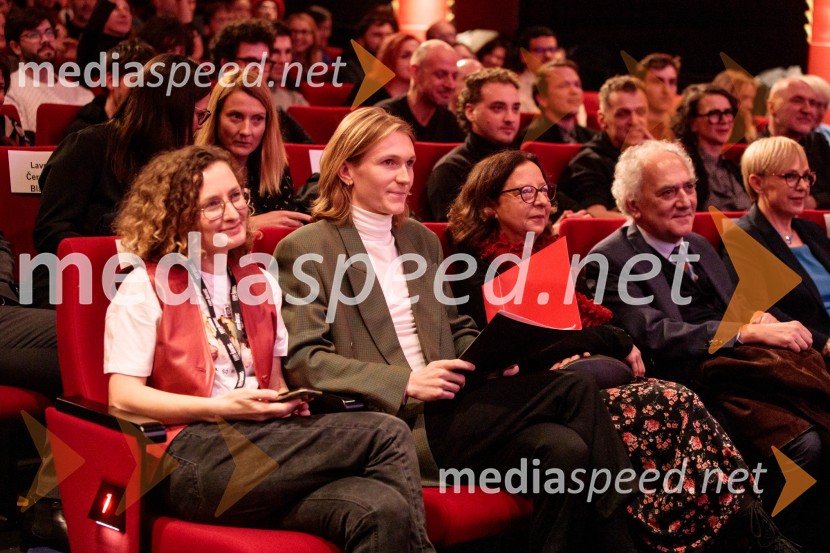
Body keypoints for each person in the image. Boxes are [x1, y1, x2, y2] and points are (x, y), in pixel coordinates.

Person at [276, 106, 639, 553]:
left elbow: (458, 325)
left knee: (564, 451)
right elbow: (304, 360)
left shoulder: (420, 240)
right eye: (388, 163)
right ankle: (629, 527)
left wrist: (488, 358)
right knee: (574, 390)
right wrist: (407, 382)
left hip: (457, 404)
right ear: (347, 170)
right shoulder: (308, 248)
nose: (406, 177)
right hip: (394, 421)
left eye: (409, 163)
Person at [446, 149, 799, 553]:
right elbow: (526, 341)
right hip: (532, 396)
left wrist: (591, 343)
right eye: (526, 192)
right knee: (672, 398)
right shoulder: (472, 265)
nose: (542, 200)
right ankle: (741, 531)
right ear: (489, 205)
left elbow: (588, 326)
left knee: (675, 412)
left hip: (586, 383)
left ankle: (741, 527)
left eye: (545, 190)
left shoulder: (548, 254)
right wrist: (604, 342)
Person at [105, 144, 434, 552]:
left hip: (269, 450)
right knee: (387, 432)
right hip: (190, 458)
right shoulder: (145, 288)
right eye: (211, 204)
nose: (232, 211)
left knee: (380, 508)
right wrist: (223, 408)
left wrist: (284, 402)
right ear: (177, 217)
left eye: (236, 196)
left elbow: (275, 382)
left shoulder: (260, 282)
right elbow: (122, 399)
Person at [586, 139, 830, 550]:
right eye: (667, 192)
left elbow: (735, 306)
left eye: (688, 187)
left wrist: (755, 319)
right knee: (804, 445)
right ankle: (761, 541)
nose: (684, 201)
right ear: (633, 205)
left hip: (741, 369)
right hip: (688, 384)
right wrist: (743, 331)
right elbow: (651, 334)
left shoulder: (698, 245)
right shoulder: (608, 259)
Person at [34, 54, 211, 257]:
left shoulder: (182, 161)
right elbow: (50, 232)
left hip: (156, 275)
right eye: (199, 115)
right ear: (172, 112)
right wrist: (115, 253)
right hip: (86, 274)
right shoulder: (88, 146)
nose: (200, 125)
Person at [724, 136, 830, 358]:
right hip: (810, 351)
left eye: (806, 177)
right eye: (790, 176)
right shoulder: (742, 237)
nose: (802, 186)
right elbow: (759, 311)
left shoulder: (812, 230)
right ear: (757, 183)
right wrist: (823, 342)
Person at [195, 67, 312, 228]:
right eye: (236, 116)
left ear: (267, 123)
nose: (246, 131)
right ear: (215, 118)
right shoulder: (194, 169)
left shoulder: (274, 167)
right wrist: (249, 224)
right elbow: (189, 232)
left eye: (257, 119)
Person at [425, 67, 520, 222]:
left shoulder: (524, 163)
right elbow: (459, 236)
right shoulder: (451, 170)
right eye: (498, 108)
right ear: (470, 112)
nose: (510, 118)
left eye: (515, 108)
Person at [558, 75, 652, 218]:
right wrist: (653, 220)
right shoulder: (588, 162)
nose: (634, 121)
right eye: (623, 114)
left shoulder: (651, 156)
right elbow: (596, 216)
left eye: (640, 112)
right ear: (602, 120)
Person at [5, 8, 94, 136]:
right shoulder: (10, 90)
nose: (45, 39)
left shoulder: (82, 95)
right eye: (33, 35)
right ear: (16, 47)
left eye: (49, 32)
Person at [671, 84, 751, 212]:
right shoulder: (683, 170)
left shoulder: (734, 168)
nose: (724, 120)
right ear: (692, 123)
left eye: (728, 112)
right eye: (714, 114)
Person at [375, 39, 465, 142]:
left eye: (454, 76)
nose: (451, 84)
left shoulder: (452, 124)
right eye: (440, 74)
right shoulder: (385, 116)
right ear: (415, 72)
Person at [761, 76, 830, 208]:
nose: (807, 110)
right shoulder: (756, 149)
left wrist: (816, 201)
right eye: (797, 101)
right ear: (772, 107)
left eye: (812, 103)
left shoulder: (818, 142)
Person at [64, 39, 155, 137]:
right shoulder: (82, 134)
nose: (143, 90)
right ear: (111, 80)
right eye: (135, 82)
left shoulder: (154, 128)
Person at [525, 59, 596, 144]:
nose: (574, 91)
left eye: (577, 85)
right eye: (564, 86)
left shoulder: (593, 138)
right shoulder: (532, 138)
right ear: (542, 98)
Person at [346, 32, 419, 108]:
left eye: (417, 56)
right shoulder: (367, 92)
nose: (413, 61)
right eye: (405, 56)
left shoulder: (425, 94)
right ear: (389, 59)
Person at [76, 0, 133, 80]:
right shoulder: (90, 46)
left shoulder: (136, 47)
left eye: (126, 9)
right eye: (115, 9)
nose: (123, 14)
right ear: (100, 13)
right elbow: (91, 32)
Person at [515, 26, 561, 114]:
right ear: (523, 56)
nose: (548, 55)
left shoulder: (569, 87)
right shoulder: (515, 90)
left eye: (552, 50)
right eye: (540, 50)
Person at [634, 53, 680, 140]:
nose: (666, 90)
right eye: (657, 82)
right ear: (641, 84)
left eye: (672, 82)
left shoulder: (681, 127)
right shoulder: (629, 127)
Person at [712, 68, 758, 144]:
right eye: (744, 98)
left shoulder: (747, 125)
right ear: (725, 96)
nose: (750, 106)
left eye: (752, 99)